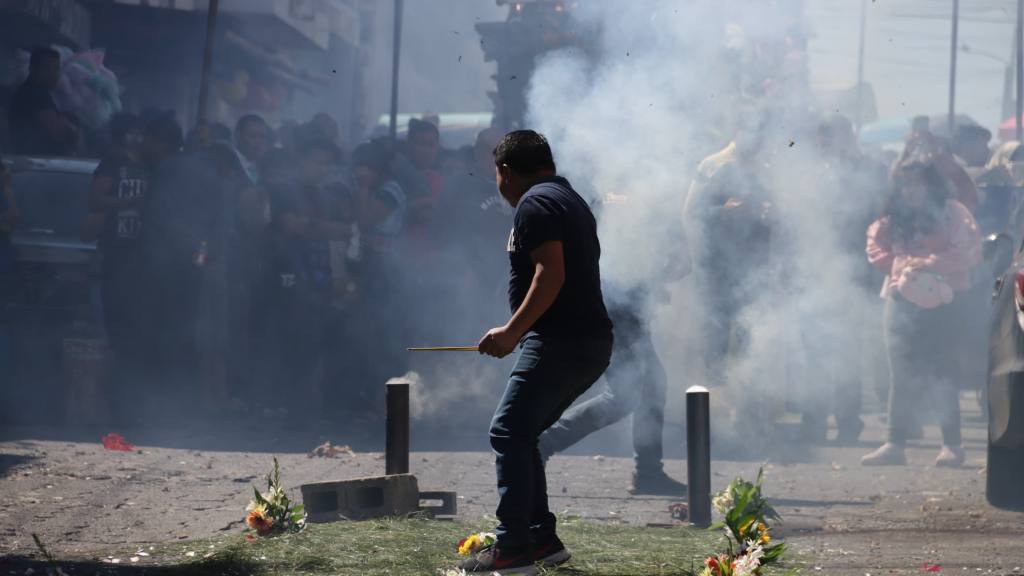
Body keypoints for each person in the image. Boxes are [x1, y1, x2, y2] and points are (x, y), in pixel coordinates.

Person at [459, 130, 613, 573]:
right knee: (525, 436)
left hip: (560, 340)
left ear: (505, 171)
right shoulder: (567, 198)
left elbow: (551, 275)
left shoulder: (535, 203)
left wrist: (510, 332)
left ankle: (512, 549)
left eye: (496, 174)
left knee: (507, 432)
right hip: (585, 342)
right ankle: (541, 539)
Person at [861, 157, 980, 468]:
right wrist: (903, 266)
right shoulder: (894, 217)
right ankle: (894, 442)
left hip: (945, 301)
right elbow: (875, 248)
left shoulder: (951, 212)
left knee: (943, 371)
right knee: (899, 373)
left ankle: (952, 444)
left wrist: (929, 263)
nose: (912, 189)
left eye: (918, 182)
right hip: (900, 298)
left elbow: (968, 250)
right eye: (906, 182)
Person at [85, 114, 151, 421]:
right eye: (134, 133)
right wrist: (133, 201)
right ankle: (112, 407)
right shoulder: (112, 164)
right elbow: (96, 200)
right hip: (116, 259)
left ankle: (133, 406)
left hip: (143, 264)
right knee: (116, 336)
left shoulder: (151, 165)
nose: (138, 139)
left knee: (138, 336)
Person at [8, 47, 78, 156]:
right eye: (47, 69)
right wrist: (71, 129)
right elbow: (58, 132)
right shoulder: (33, 94)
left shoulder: (40, 93)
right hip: (37, 163)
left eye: (56, 69)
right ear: (32, 69)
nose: (53, 74)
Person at [234, 115, 269, 184]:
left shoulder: (266, 167)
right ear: (238, 136)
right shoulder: (225, 164)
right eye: (253, 136)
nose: (259, 141)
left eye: (263, 137)